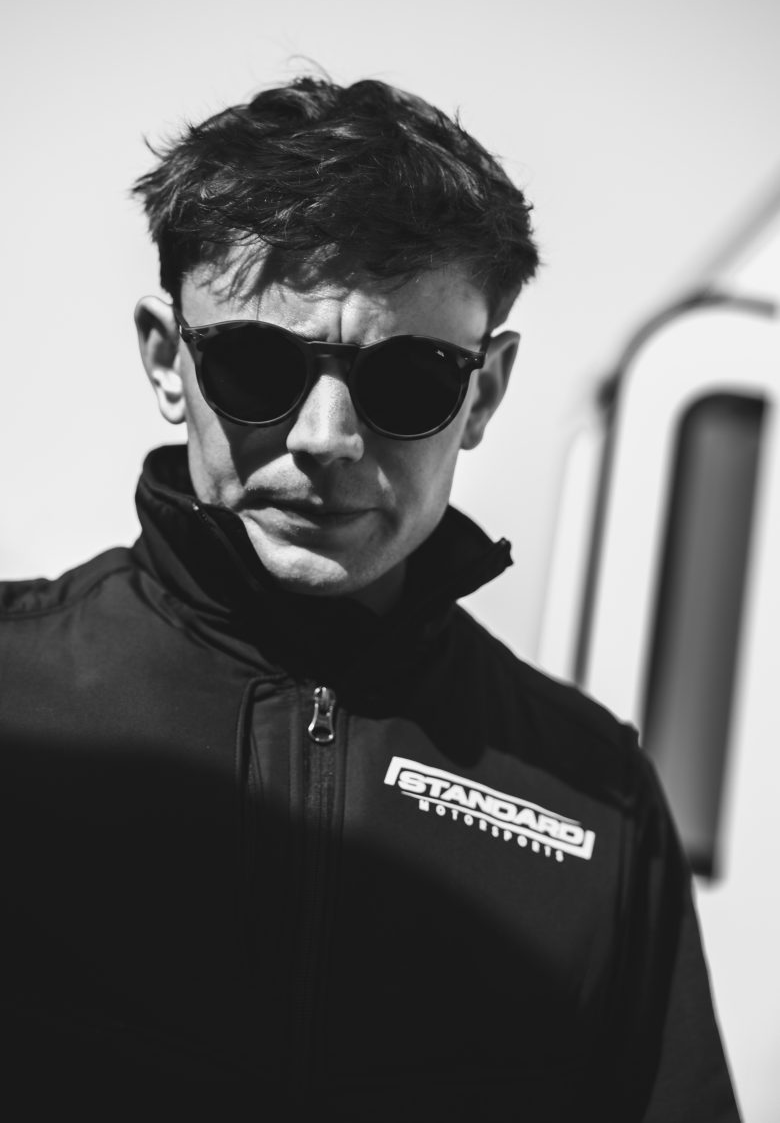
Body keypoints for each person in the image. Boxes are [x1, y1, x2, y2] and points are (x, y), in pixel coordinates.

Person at [0, 77, 740, 1121]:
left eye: (409, 380)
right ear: (168, 360)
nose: (327, 438)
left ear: (483, 393)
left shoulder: (595, 798)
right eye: (256, 364)